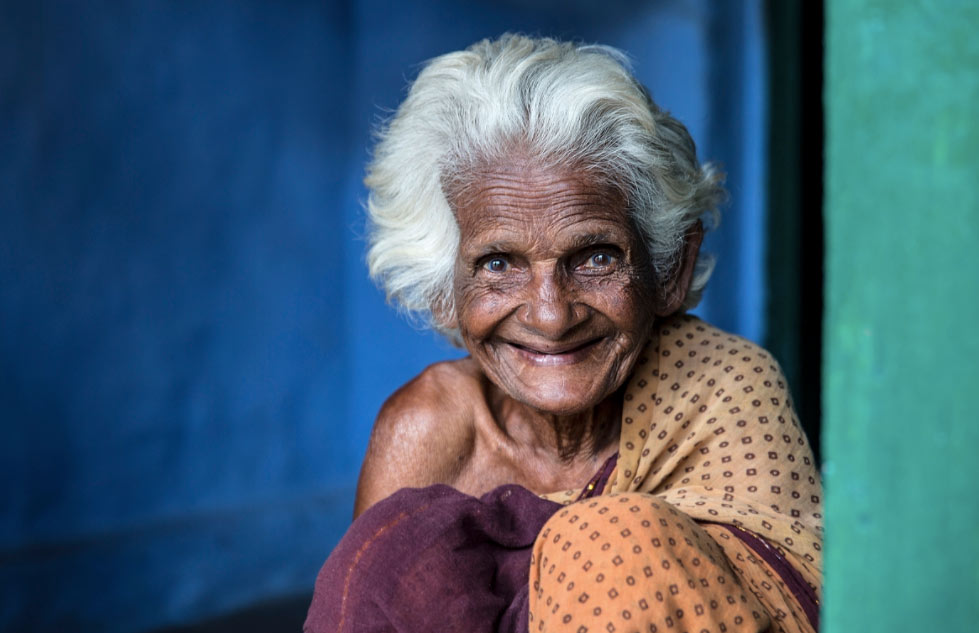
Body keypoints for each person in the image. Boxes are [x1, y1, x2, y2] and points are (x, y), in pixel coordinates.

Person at [305, 34, 822, 633]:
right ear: (446, 288)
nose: (551, 316)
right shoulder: (423, 437)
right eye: (498, 264)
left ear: (669, 271)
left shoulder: (725, 393)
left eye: (596, 256)